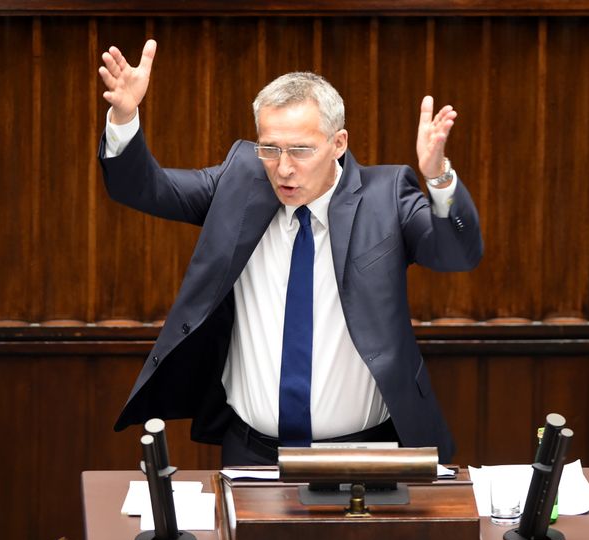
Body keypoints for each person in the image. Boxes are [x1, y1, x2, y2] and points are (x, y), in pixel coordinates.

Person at [98, 39, 483, 466]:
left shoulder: (385, 196)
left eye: (301, 150)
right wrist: (124, 116)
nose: (283, 168)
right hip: (251, 450)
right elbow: (144, 188)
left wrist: (440, 179)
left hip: (367, 450)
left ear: (338, 143)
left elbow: (457, 254)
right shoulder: (240, 183)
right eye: (270, 148)